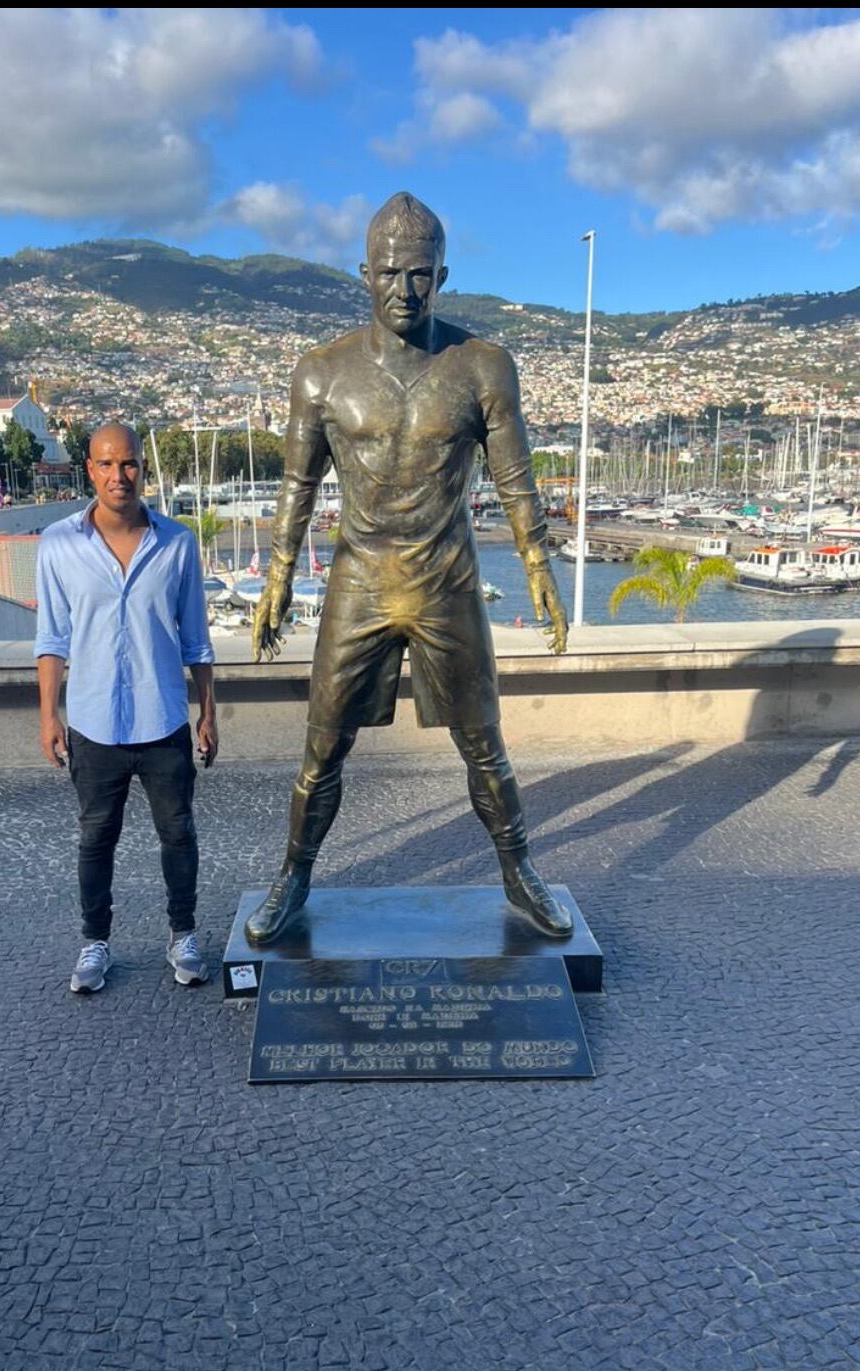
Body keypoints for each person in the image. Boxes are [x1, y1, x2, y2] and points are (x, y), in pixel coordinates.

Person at [245, 191, 571, 947]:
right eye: (389, 273)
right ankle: (293, 876)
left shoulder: (483, 367)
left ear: (443, 276)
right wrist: (279, 574)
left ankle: (520, 871)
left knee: (483, 744)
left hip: (445, 579)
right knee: (323, 748)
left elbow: (515, 479)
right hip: (359, 579)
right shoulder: (321, 374)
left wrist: (537, 565)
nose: (404, 290)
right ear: (364, 274)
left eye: (420, 274)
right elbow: (297, 484)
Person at [35, 422, 218, 992]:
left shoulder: (177, 543)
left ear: (143, 467)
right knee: (95, 839)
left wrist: (209, 713)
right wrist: (48, 715)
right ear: (90, 470)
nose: (120, 475)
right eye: (108, 464)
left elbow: (196, 639)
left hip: (163, 718)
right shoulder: (58, 544)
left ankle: (182, 933)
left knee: (178, 834)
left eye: (130, 463)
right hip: (93, 723)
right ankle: (95, 943)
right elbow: (52, 638)